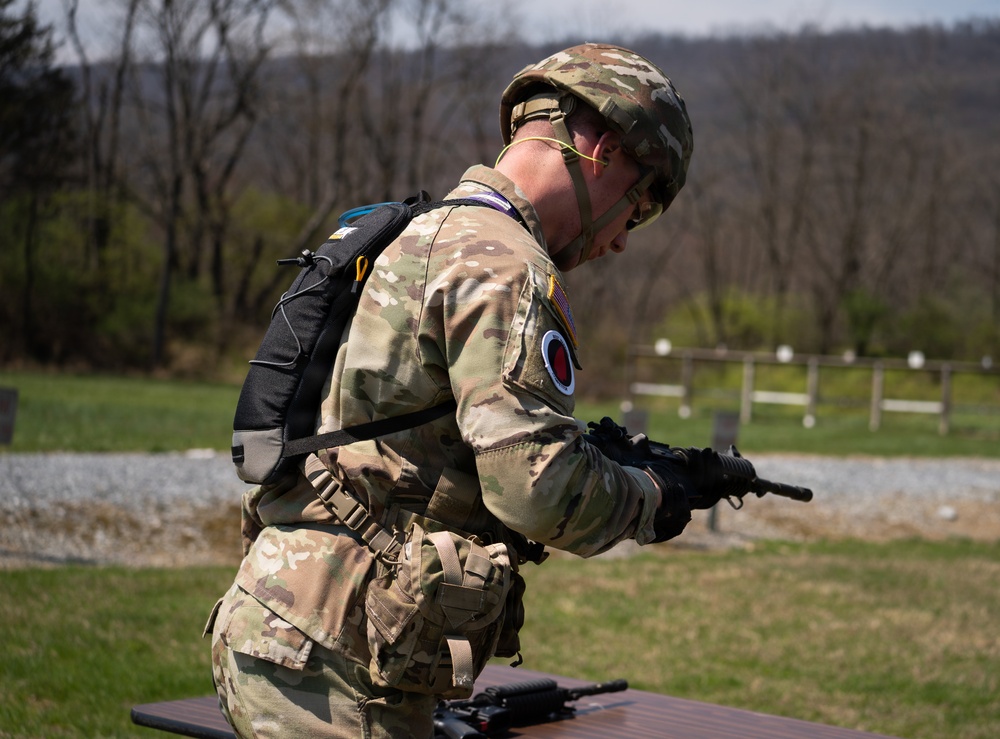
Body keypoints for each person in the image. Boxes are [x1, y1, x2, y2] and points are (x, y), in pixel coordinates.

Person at [208, 42, 710, 738]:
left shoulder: (406, 231)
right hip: (342, 664)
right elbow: (537, 488)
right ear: (603, 147)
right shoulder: (506, 263)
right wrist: (652, 496)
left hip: (279, 616)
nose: (623, 238)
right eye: (641, 204)